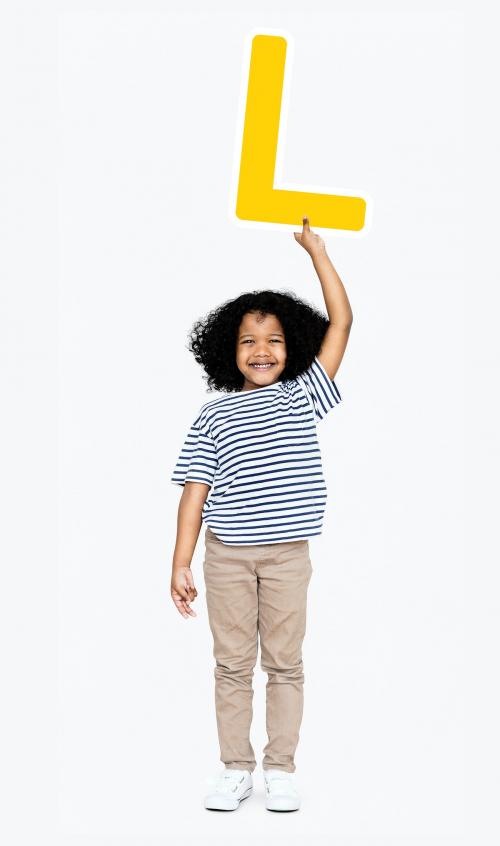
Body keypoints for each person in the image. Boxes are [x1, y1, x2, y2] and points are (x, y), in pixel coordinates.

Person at [170, 217, 353, 811]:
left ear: (291, 346)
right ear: (230, 350)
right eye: (248, 340)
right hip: (225, 556)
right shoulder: (212, 415)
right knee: (231, 663)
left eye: (274, 339)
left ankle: (280, 767)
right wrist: (180, 562)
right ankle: (235, 767)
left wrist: (317, 253)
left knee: (284, 662)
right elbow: (195, 490)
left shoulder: (302, 395)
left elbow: (344, 323)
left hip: (287, 556)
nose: (262, 350)